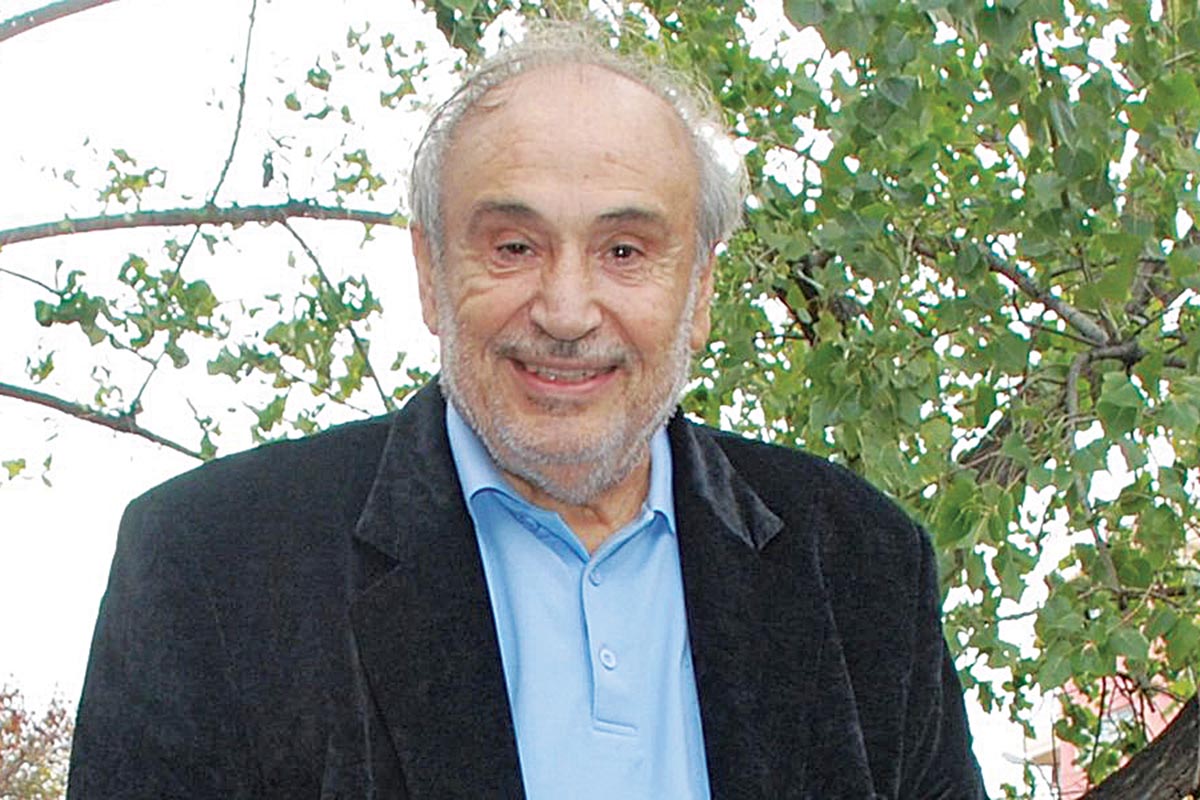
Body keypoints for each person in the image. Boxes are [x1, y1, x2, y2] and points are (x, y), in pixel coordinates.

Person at [68, 21, 987, 800]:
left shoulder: (861, 568)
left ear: (701, 291)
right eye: (514, 246)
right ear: (430, 273)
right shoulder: (215, 566)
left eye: (625, 251)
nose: (567, 311)